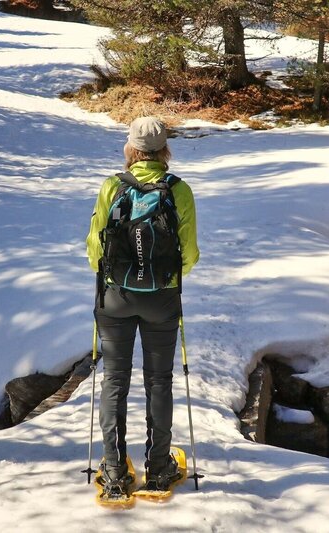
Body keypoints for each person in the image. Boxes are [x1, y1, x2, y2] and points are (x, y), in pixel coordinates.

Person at [85, 117, 200, 499]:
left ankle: (115, 471)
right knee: (159, 380)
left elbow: (95, 251)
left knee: (114, 380)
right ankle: (159, 466)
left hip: (115, 299)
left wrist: (121, 275)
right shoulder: (178, 190)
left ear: (130, 148)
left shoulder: (112, 187)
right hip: (162, 301)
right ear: (165, 149)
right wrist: (163, 278)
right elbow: (190, 254)